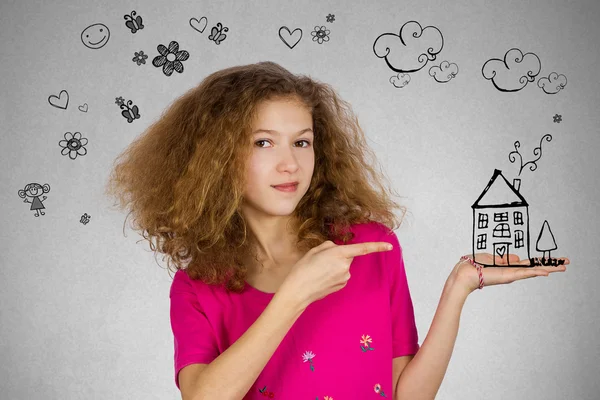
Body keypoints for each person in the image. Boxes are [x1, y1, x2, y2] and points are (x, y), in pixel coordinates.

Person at [104, 61, 569, 400]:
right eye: (263, 142)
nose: (291, 163)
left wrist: (459, 287)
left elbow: (407, 396)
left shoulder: (370, 248)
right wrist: (294, 295)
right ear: (215, 159)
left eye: (302, 142)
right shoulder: (197, 287)